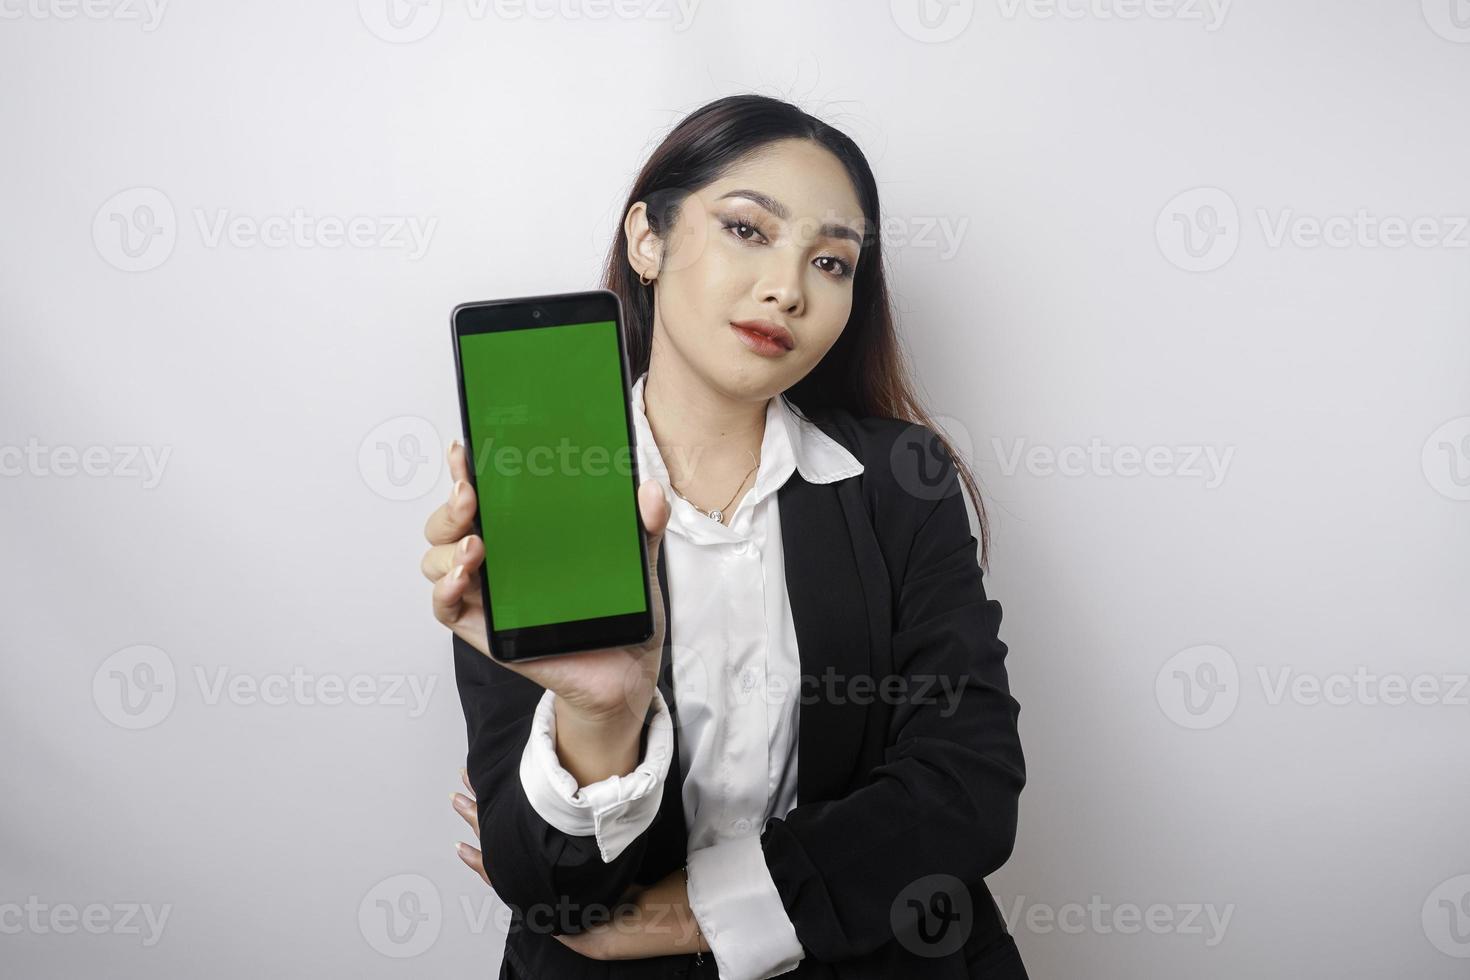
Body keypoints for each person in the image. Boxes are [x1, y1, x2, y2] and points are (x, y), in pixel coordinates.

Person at [422, 94, 1028, 978]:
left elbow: (966, 791)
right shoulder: (542, 486)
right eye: (749, 230)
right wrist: (601, 716)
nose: (789, 287)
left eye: (831, 260)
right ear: (648, 240)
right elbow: (543, 881)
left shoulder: (901, 481)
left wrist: (690, 914)